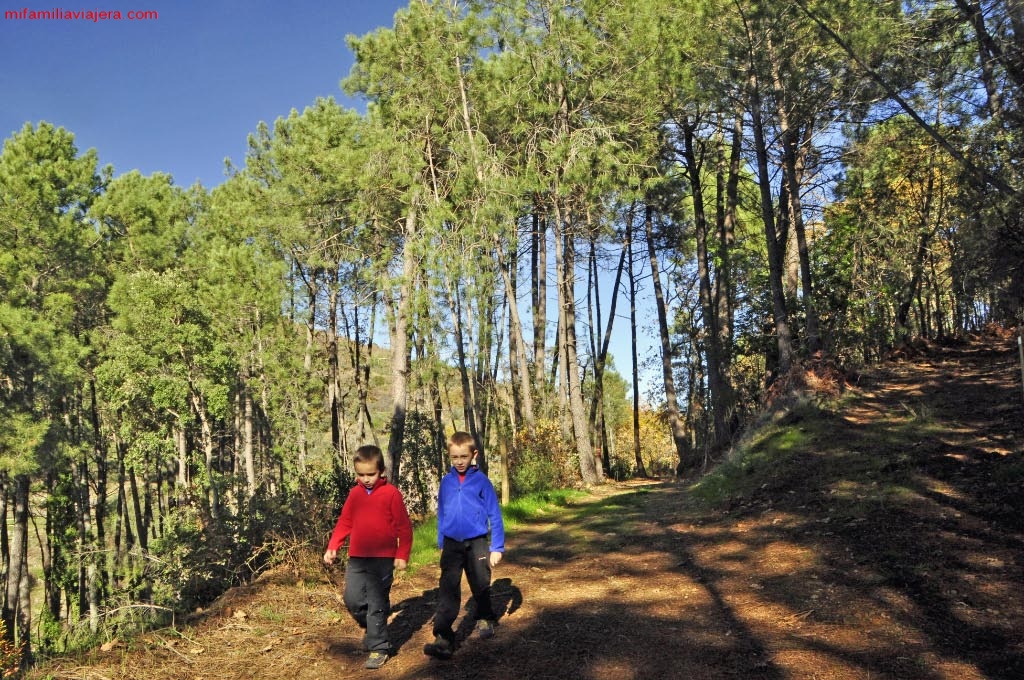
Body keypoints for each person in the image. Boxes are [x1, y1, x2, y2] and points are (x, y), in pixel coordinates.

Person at [323, 445, 413, 670]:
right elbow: (345, 522)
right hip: (357, 557)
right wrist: (333, 546)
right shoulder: (354, 494)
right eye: (361, 475)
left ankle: (379, 646)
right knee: (352, 599)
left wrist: (402, 554)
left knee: (376, 603)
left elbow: (404, 528)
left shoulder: (391, 494)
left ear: (381, 471)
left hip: (383, 559)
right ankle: (372, 625)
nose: (366, 479)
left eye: (370, 474)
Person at [423, 431, 505, 660]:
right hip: (451, 543)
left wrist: (497, 546)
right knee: (448, 588)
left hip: (477, 541)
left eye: (463, 457)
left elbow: (494, 514)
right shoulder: (446, 482)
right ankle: (443, 637)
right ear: (449, 456)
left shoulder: (482, 481)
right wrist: (441, 539)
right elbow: (442, 513)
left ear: (473, 455)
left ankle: (485, 616)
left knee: (480, 582)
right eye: (454, 457)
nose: (459, 461)